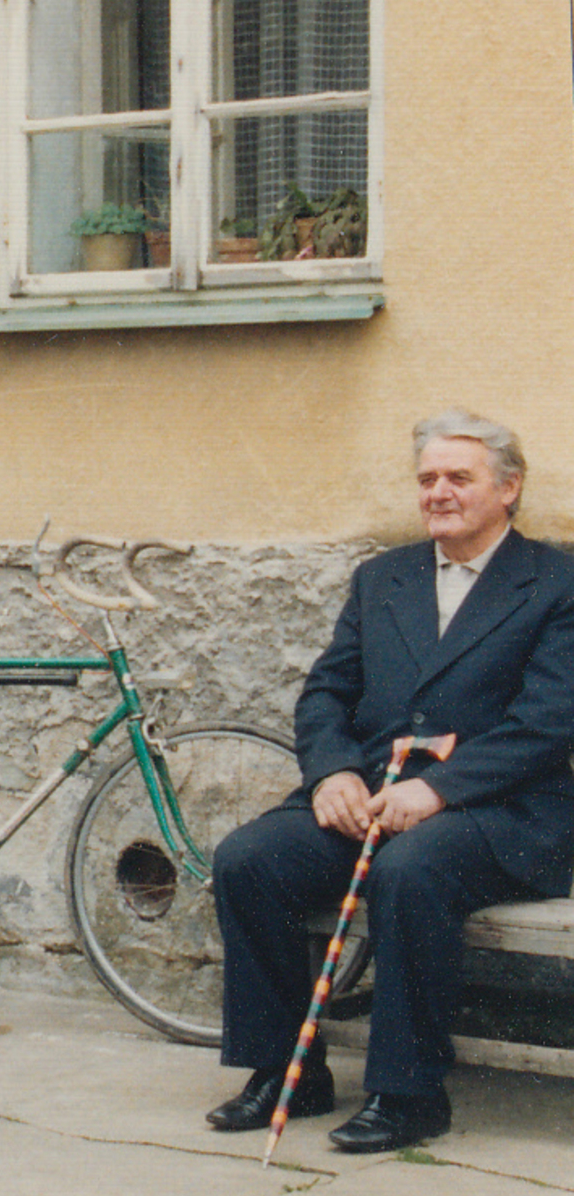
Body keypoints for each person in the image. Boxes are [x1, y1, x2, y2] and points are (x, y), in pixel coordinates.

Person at [208, 410, 574, 1153]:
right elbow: (325, 693)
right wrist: (332, 772)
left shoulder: (556, 582)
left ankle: (409, 1094)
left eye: (459, 477)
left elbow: (549, 720)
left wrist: (439, 790)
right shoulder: (382, 578)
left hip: (504, 811)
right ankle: (288, 1074)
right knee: (249, 859)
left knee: (409, 869)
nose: (438, 492)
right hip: (375, 795)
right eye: (427, 478)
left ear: (509, 488)